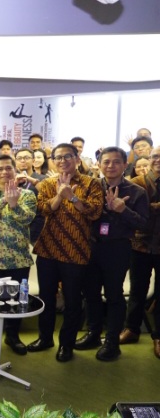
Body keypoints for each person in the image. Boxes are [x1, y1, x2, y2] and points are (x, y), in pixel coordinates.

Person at [28, 143, 104, 363]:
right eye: (58, 157)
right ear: (52, 161)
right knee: (46, 297)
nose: (62, 161)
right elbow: (43, 209)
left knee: (72, 300)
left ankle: (66, 344)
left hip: (76, 250)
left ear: (77, 159)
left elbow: (95, 212)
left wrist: (73, 197)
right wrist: (60, 196)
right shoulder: (47, 183)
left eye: (67, 156)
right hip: (48, 249)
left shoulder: (91, 183)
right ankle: (45, 338)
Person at [75, 147, 148, 361]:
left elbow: (144, 223)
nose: (110, 166)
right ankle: (93, 333)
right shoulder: (92, 187)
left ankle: (112, 342)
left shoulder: (137, 192)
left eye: (116, 162)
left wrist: (123, 210)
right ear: (99, 164)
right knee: (91, 293)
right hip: (91, 246)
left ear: (125, 165)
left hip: (117, 248)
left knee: (114, 295)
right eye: (106, 162)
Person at [0, 155, 37, 356]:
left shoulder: (27, 195)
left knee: (17, 300)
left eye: (8, 168)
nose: (4, 172)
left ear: (15, 170)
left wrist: (14, 204)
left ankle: (12, 336)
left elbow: (27, 218)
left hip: (18, 260)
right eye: (0, 169)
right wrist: (5, 200)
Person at [122, 145, 160, 359]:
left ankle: (158, 336)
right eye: (155, 156)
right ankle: (132, 329)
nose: (158, 160)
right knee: (137, 289)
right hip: (140, 245)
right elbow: (130, 211)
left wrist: (152, 207)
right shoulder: (136, 183)